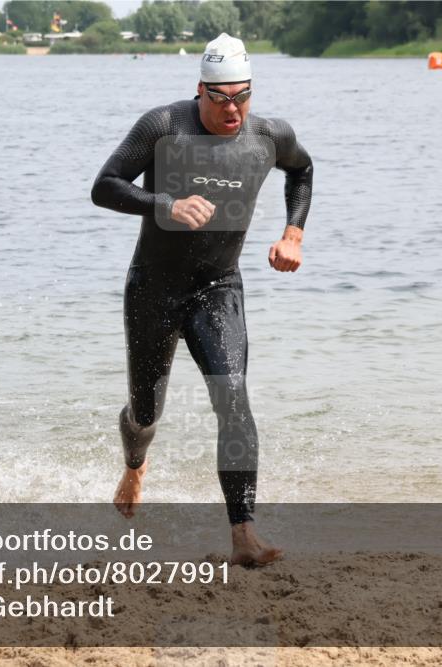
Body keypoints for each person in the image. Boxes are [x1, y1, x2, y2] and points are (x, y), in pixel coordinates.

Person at [91, 34, 313, 565]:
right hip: (154, 286)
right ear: (200, 92)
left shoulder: (270, 134)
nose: (232, 108)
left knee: (233, 401)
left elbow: (302, 170)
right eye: (221, 98)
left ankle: (242, 537)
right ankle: (135, 464)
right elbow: (105, 186)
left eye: (242, 96)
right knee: (145, 412)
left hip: (218, 287)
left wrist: (293, 235)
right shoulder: (163, 127)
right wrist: (163, 202)